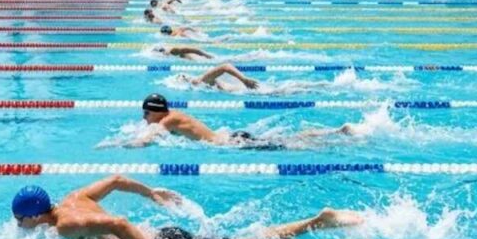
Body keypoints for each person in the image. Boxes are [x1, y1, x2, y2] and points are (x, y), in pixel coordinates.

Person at [10, 179, 364, 239]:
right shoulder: (73, 198)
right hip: (167, 235)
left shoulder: (64, 226)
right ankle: (318, 222)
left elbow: (117, 223)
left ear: (33, 215)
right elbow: (117, 178)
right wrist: (152, 195)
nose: (19, 227)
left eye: (20, 221)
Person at [136, 93, 353, 148]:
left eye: (146, 114)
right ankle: (335, 132)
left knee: (290, 144)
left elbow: (147, 140)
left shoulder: (168, 121)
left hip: (233, 144)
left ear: (157, 113)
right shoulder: (172, 114)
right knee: (285, 139)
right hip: (232, 137)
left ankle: (334, 135)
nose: (144, 118)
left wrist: (125, 144)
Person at [173, 62, 260, 90]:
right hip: (241, 89)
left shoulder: (201, 80)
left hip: (241, 90)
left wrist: (244, 80)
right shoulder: (200, 83)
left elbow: (225, 66)